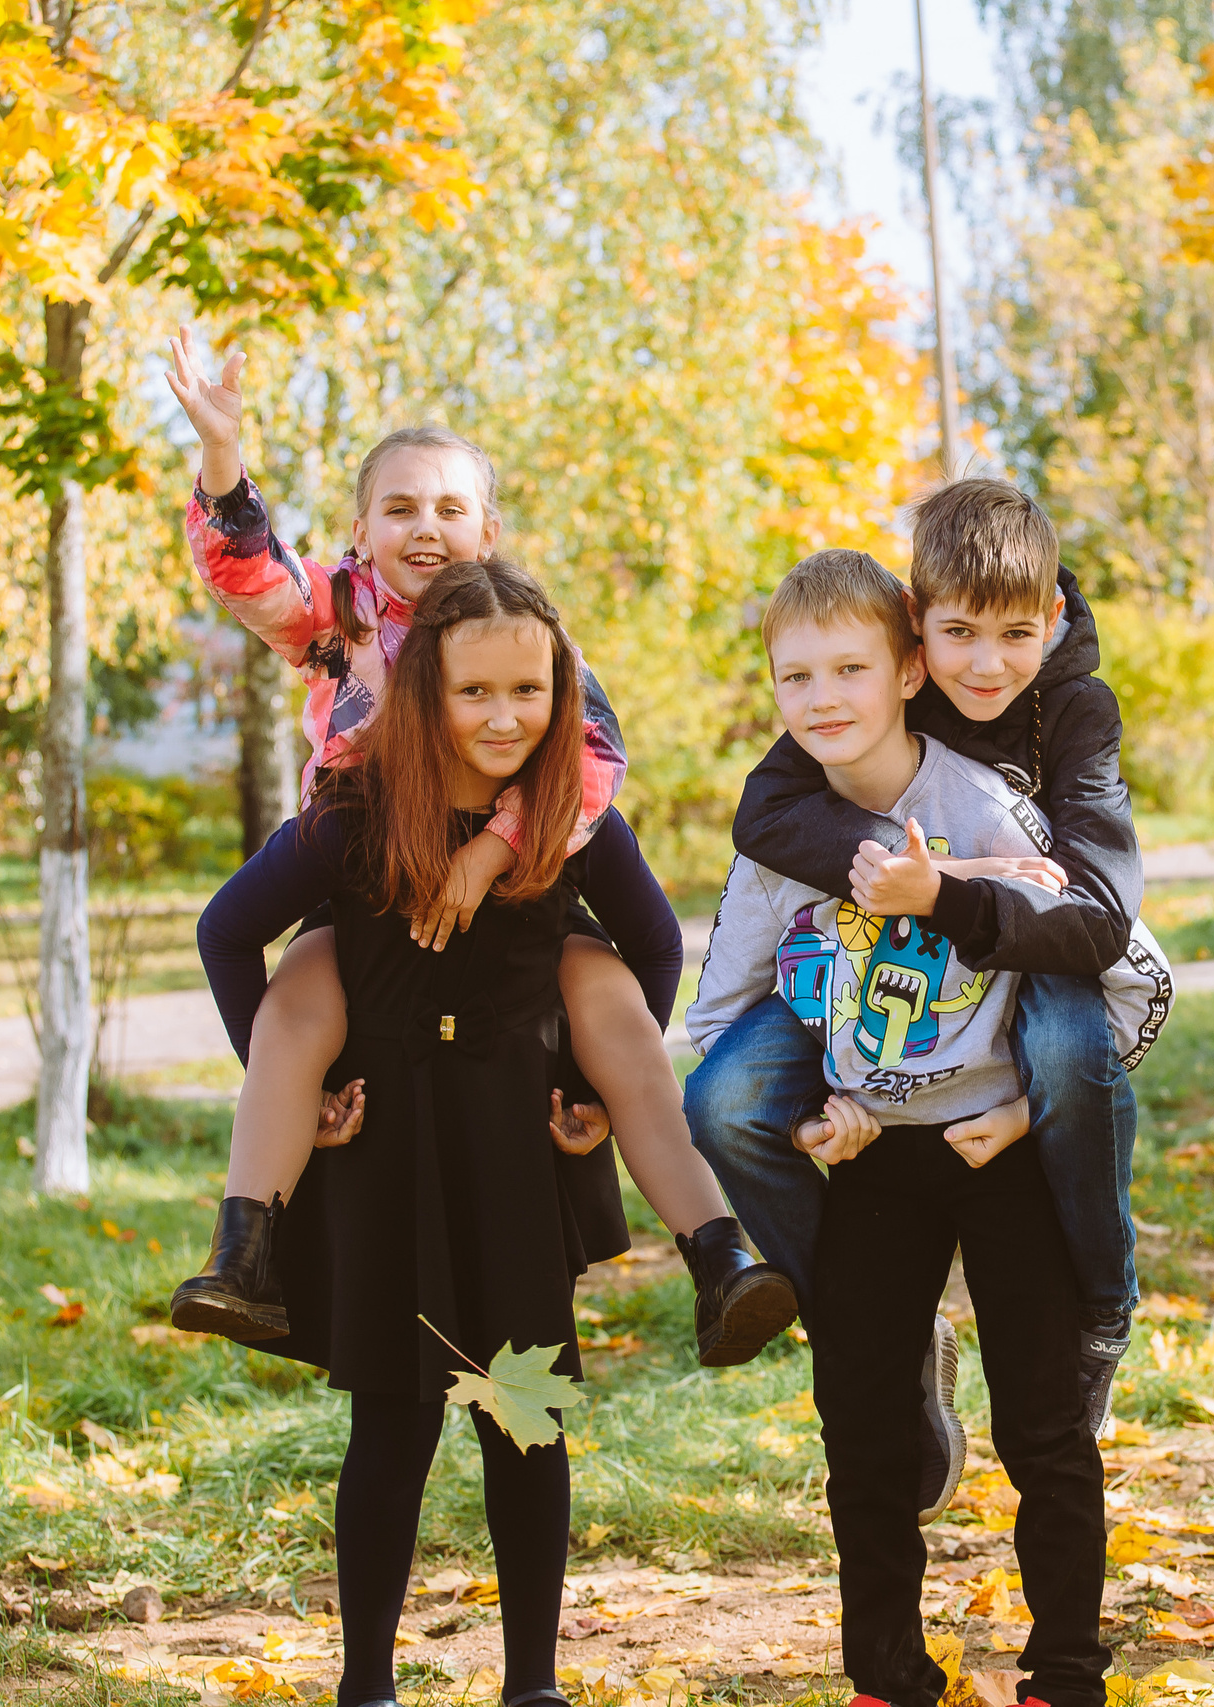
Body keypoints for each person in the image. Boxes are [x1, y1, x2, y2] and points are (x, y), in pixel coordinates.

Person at [160, 332, 793, 1369]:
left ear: (488, 533)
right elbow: (245, 576)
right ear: (359, 534)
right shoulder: (341, 618)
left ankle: (720, 1258)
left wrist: (493, 850)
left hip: (526, 877)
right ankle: (245, 1258)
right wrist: (224, 457)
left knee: (611, 1009)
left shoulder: (523, 635)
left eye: (451, 508)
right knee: (298, 1008)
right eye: (400, 508)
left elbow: (594, 760)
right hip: (365, 868)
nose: (425, 527)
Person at [685, 548, 1149, 1707]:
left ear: (907, 672)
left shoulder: (985, 807)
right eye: (796, 680)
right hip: (874, 1167)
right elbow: (726, 1016)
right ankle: (887, 1674)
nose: (823, 699)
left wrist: (1031, 1104)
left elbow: (1124, 967)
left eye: (849, 668)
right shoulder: (777, 843)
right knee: (862, 1425)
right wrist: (807, 1122)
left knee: (1042, 1426)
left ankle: (1065, 1671)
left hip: (998, 1152)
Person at [196, 558, 621, 1707]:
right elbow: (228, 932)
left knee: (522, 1423)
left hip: (514, 1166)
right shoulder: (355, 813)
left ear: (557, 691)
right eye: (470, 693)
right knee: (391, 1431)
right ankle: (365, 1688)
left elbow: (653, 944)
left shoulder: (564, 823)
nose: (499, 717)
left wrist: (592, 1087)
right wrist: (293, 1083)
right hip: (387, 1165)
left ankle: (533, 1686)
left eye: (524, 695)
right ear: (422, 685)